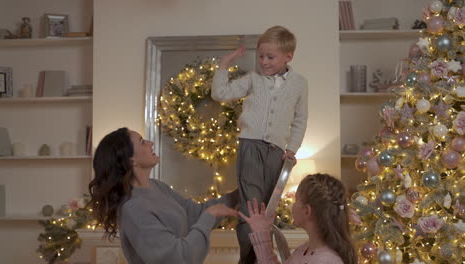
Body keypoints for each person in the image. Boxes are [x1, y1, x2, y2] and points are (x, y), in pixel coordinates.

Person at [211, 25, 308, 263]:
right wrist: (224, 65)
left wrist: (292, 148)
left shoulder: (299, 83)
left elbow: (300, 118)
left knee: (266, 211)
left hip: (276, 153)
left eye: (270, 57)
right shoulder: (253, 79)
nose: (264, 62)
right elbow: (220, 93)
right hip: (250, 147)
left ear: (289, 56)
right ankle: (248, 259)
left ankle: (262, 256)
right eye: (260, 56)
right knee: (250, 208)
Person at [87, 127, 239, 264]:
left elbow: (195, 214)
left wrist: (240, 194)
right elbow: (177, 259)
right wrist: (209, 215)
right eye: (142, 142)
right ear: (131, 160)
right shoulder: (133, 209)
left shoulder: (158, 187)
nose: (151, 143)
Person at [239, 173, 358, 264]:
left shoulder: (326, 260)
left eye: (296, 200)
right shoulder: (305, 250)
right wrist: (262, 234)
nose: (292, 205)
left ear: (307, 211)